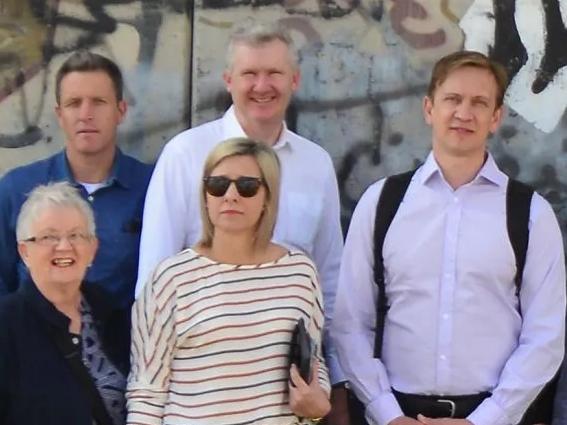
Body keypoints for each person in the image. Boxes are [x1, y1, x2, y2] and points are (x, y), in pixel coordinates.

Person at [331, 50, 566, 425]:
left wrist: (488, 419)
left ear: (496, 118)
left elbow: (546, 335)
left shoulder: (531, 214)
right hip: (396, 416)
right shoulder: (382, 202)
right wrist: (386, 413)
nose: (464, 113)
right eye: (452, 99)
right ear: (429, 109)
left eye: (479, 103)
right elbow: (350, 323)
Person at [136, 21, 348, 420]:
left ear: (295, 80)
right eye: (250, 73)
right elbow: (152, 285)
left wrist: (329, 389)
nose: (262, 85)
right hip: (201, 397)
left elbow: (330, 284)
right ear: (228, 80)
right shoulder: (185, 155)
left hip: (285, 404)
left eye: (274, 73)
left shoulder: (315, 163)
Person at [127, 138, 331, 424]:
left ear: (267, 198)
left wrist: (319, 404)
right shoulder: (170, 279)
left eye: (247, 186)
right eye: (218, 185)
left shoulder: (299, 273)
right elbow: (146, 392)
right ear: (205, 195)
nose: (231, 195)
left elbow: (313, 363)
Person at [0, 51, 153, 307]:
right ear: (59, 115)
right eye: (74, 103)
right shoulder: (17, 189)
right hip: (34, 343)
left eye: (98, 102)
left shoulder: (151, 187)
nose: (85, 114)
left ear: (121, 111)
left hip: (121, 344)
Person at [0, 182, 130, 425]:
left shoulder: (111, 313)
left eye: (76, 235)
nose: (64, 246)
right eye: (49, 236)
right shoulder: (6, 324)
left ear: (92, 248)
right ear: (24, 251)